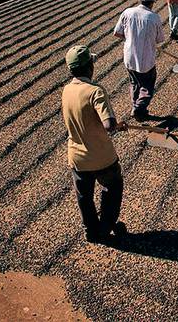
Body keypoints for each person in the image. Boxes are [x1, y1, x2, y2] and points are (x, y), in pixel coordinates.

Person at [62, 45, 127, 244]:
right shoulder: (95, 92)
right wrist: (118, 125)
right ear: (90, 66)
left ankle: (91, 231)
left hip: (77, 157)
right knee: (112, 187)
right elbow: (108, 125)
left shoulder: (66, 90)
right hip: (101, 157)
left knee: (84, 196)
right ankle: (105, 227)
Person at [114, 0, 165, 122]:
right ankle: (139, 107)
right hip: (146, 60)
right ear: (152, 3)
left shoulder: (127, 12)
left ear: (139, 1)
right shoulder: (154, 17)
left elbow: (117, 33)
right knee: (147, 85)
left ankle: (135, 106)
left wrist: (131, 38)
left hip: (129, 57)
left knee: (134, 83)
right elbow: (160, 39)